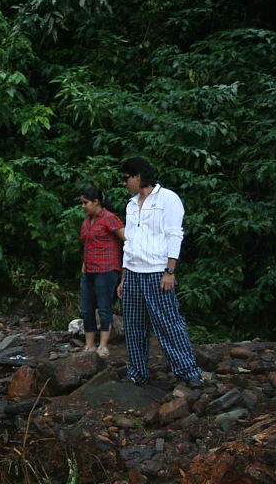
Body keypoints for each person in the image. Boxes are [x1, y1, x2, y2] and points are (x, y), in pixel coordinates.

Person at [116, 158, 204, 388]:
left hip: (157, 271)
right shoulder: (131, 204)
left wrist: (170, 271)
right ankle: (138, 372)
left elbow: (174, 234)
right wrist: (124, 278)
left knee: (168, 322)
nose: (124, 183)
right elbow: (129, 242)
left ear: (137, 177)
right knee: (134, 325)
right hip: (134, 271)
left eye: (126, 178)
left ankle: (188, 370)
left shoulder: (168, 199)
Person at [79, 187, 125, 359]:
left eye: (85, 202)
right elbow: (87, 245)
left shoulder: (109, 218)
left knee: (104, 307)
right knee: (86, 308)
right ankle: (89, 345)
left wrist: (124, 268)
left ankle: (103, 346)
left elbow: (126, 239)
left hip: (107, 269)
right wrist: (84, 264)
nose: (83, 206)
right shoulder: (87, 222)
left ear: (96, 202)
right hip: (89, 269)